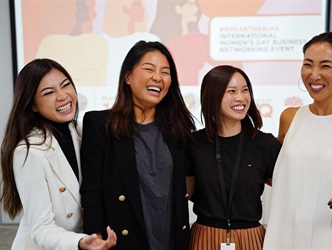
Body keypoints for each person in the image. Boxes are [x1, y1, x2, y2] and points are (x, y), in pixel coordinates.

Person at [80, 40, 196, 249]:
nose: (157, 78)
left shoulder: (178, 128)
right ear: (127, 77)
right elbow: (91, 190)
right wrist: (95, 237)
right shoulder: (100, 125)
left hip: (173, 241)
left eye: (165, 72)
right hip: (123, 242)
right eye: (149, 69)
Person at [263, 31, 332, 249]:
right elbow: (281, 175)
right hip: (286, 239)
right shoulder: (290, 117)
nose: (314, 75)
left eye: (326, 66)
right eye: (308, 64)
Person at [0, 58, 117, 249]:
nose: (62, 96)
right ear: (33, 105)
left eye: (66, 85)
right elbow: (41, 227)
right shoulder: (29, 152)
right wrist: (79, 242)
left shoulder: (80, 132)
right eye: (49, 92)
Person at [185, 65, 281, 250]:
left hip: (251, 238)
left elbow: (290, 189)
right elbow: (182, 194)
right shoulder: (194, 144)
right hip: (204, 238)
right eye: (231, 91)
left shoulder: (264, 144)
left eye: (245, 90)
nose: (241, 97)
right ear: (213, 96)